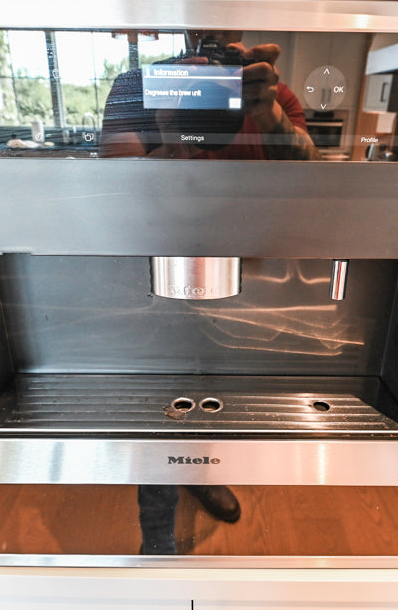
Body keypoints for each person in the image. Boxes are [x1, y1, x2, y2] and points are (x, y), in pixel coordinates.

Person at [100, 31, 319, 555]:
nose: (216, 41)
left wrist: (269, 116)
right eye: (204, 27)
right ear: (181, 28)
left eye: (228, 32)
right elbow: (117, 184)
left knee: (226, 385)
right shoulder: (140, 85)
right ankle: (157, 532)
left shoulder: (267, 90)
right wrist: (173, 133)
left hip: (251, 269)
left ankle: (201, 468)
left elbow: (308, 178)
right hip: (158, 264)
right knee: (160, 397)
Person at [100, 30, 319, 161]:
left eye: (226, 14)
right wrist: (171, 153)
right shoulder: (137, 86)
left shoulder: (267, 96)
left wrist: (268, 115)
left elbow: (315, 180)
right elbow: (111, 190)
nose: (212, 31)